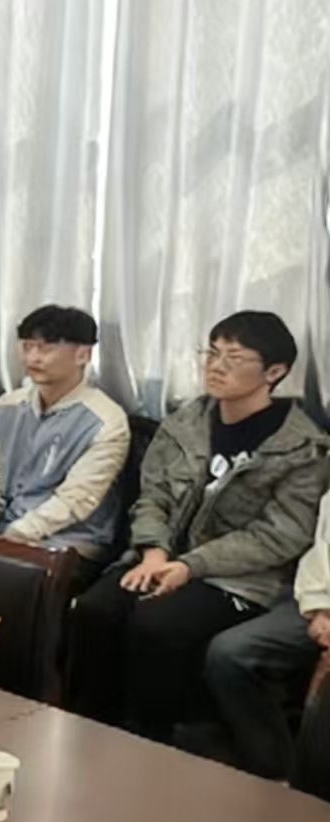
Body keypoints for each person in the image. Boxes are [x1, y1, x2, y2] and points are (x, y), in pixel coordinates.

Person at [62, 311, 330, 743]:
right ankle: (86, 732)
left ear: (274, 372)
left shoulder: (302, 446)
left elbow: (280, 535)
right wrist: (153, 551)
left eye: (234, 358)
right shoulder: (186, 422)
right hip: (161, 557)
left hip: (237, 578)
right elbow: (153, 496)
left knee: (158, 625)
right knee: (96, 610)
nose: (216, 366)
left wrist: (190, 566)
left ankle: (149, 742)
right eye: (212, 352)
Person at [0, 305, 130, 561]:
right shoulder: (5, 407)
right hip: (2, 529)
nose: (33, 358)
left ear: (83, 355)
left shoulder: (106, 421)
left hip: (69, 538)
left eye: (46, 348)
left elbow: (76, 500)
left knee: (2, 571)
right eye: (27, 347)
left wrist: (15, 536)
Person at [199, 486, 330, 801]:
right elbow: (321, 551)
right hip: (316, 603)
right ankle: (275, 772)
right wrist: (319, 609)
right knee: (231, 653)